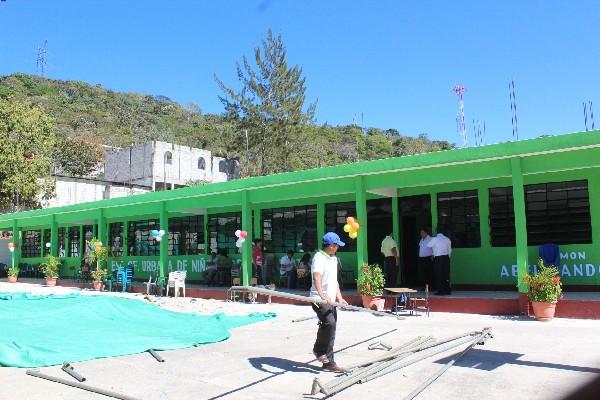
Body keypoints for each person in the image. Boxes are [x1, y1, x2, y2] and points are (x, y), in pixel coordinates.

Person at [310, 232, 348, 373]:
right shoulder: (319, 257)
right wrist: (322, 294)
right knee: (329, 323)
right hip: (318, 298)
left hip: (330, 299)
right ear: (331, 246)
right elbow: (317, 277)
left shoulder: (333, 259)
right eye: (337, 245)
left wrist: (339, 297)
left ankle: (329, 362)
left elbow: (334, 281)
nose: (338, 247)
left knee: (331, 327)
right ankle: (319, 351)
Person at [427, 231, 452, 295]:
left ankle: (441, 291)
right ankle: (447, 290)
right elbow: (450, 250)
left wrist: (434, 251)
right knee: (446, 274)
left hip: (438, 258)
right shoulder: (447, 239)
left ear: (437, 233)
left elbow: (428, 245)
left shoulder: (435, 239)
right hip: (446, 258)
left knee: (439, 274)